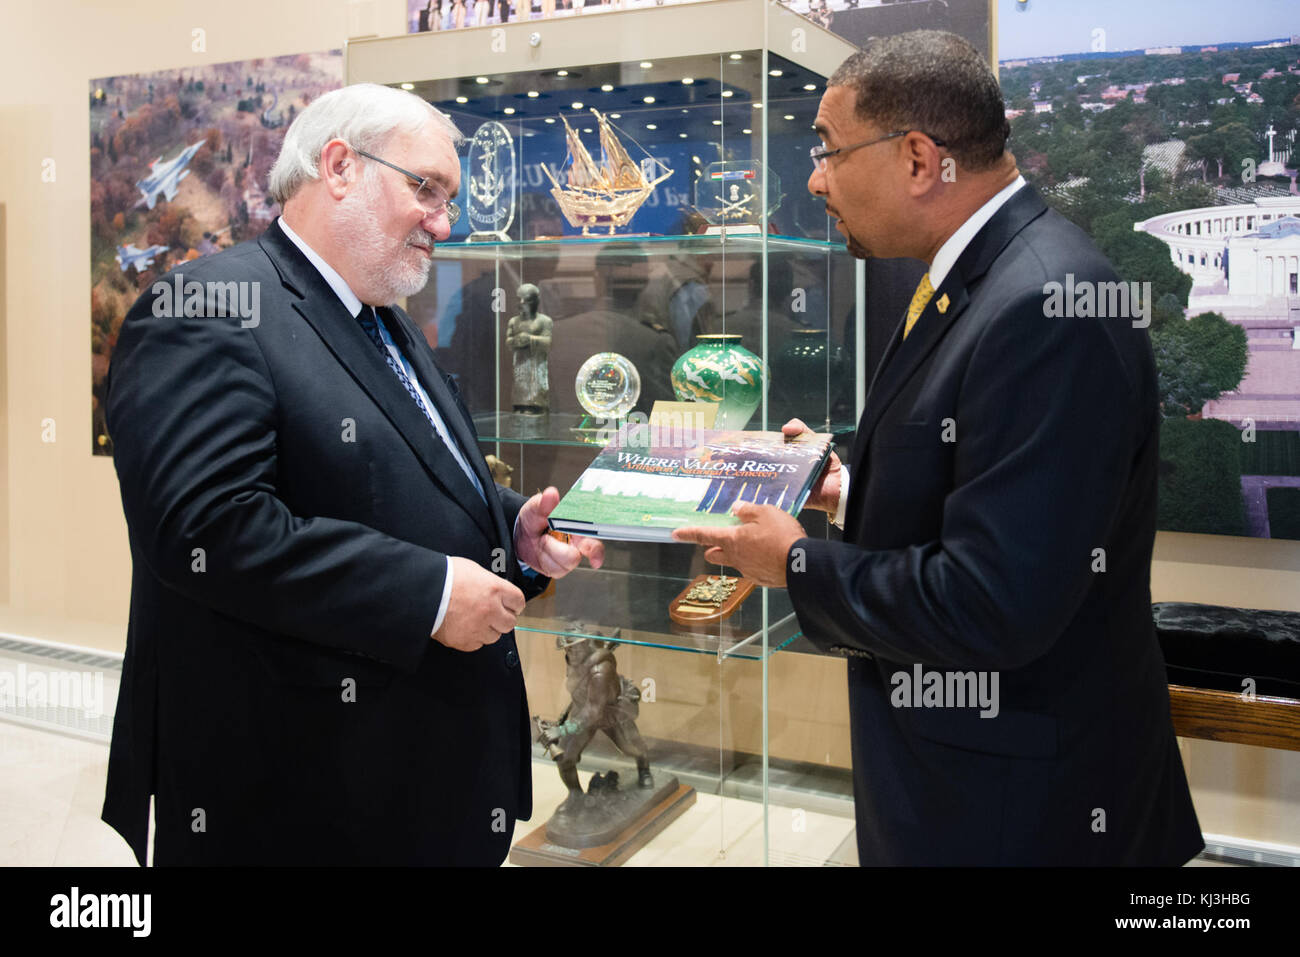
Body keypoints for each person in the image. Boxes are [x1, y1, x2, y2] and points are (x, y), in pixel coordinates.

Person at [673, 31, 1203, 866]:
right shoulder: (979, 279)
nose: (814, 180)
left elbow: (994, 601)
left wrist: (798, 564)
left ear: (919, 159)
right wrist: (850, 491)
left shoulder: (1046, 307)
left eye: (828, 150)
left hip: (1025, 814)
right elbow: (978, 483)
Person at [101, 82, 602, 866]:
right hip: (303, 800)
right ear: (338, 165)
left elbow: (392, 475)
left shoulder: (380, 316)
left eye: (449, 197)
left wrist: (511, 529)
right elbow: (210, 528)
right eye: (425, 189)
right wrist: (432, 594)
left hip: (423, 784)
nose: (445, 221)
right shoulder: (205, 304)